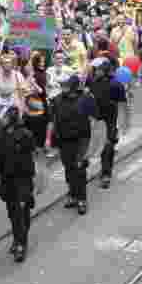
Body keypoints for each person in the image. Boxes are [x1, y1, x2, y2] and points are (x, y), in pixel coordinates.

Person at [0, 107, 36, 262]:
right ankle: (17, 238)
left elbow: (31, 156)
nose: (1, 120)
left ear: (11, 118)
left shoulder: (25, 134)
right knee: (12, 212)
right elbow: (1, 157)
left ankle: (21, 244)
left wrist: (31, 180)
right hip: (7, 179)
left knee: (21, 211)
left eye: (3, 117)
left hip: (22, 179)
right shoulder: (2, 134)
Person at [49, 74, 96, 215]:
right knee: (68, 169)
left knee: (80, 169)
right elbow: (54, 120)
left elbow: (94, 119)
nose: (63, 87)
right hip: (65, 140)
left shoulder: (86, 98)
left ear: (74, 87)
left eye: (67, 85)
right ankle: (72, 194)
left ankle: (82, 199)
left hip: (82, 140)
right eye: (62, 85)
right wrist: (51, 140)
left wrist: (92, 142)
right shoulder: (57, 100)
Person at [87, 58, 127, 189]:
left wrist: (121, 123)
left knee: (107, 149)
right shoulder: (93, 83)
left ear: (104, 71)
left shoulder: (116, 85)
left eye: (98, 70)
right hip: (96, 121)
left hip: (110, 121)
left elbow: (122, 105)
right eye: (95, 70)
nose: (96, 72)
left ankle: (106, 175)